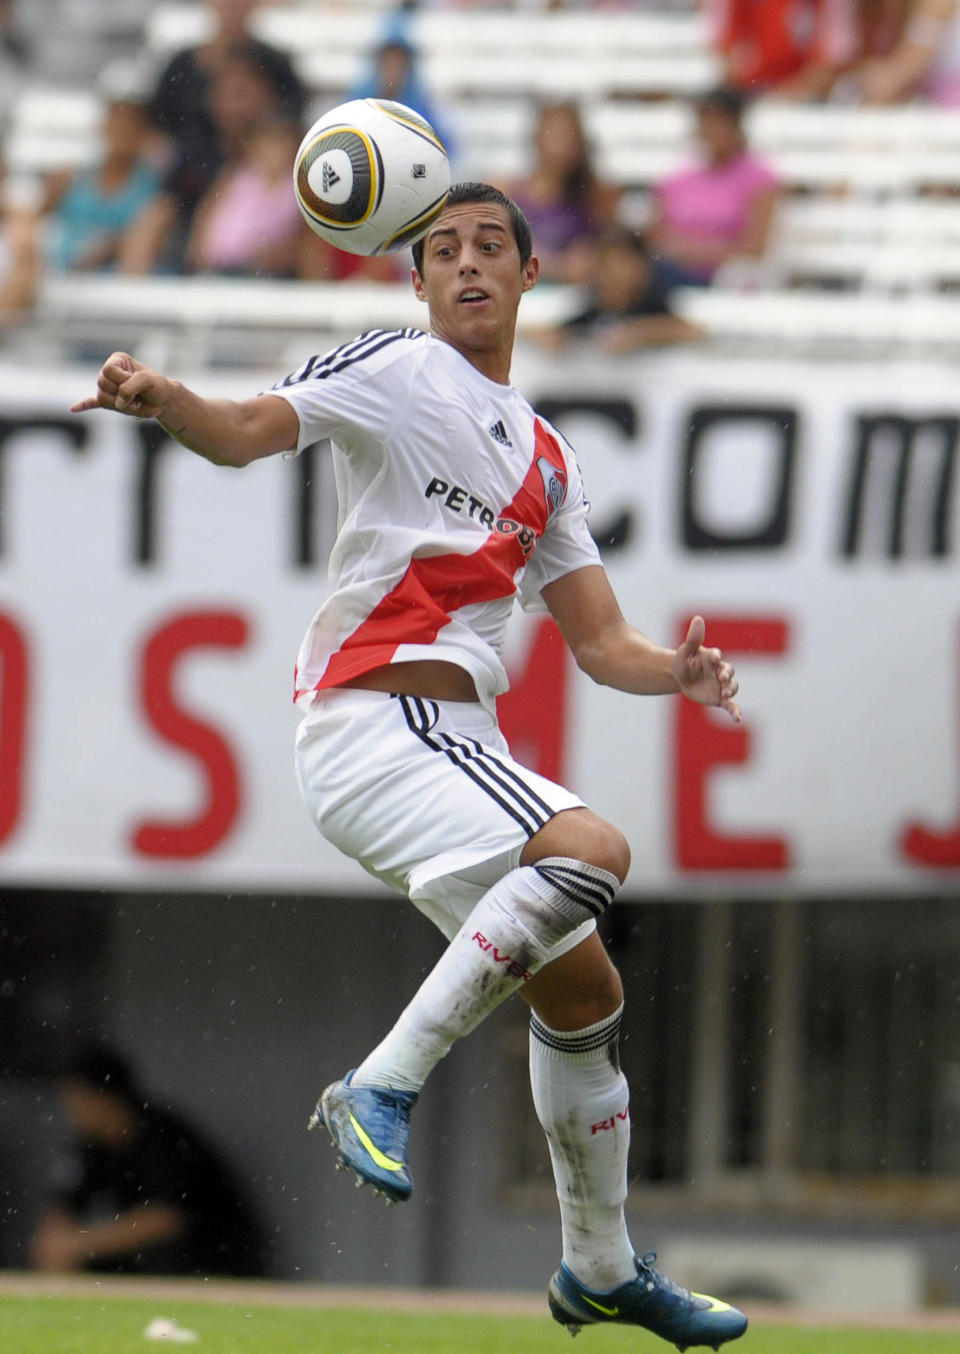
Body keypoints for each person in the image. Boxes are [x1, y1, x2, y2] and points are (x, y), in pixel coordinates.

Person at [69, 181, 747, 1349]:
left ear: (534, 276)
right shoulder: (396, 366)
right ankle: (378, 1085)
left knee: (585, 993)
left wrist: (674, 674)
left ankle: (599, 1267)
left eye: (493, 246)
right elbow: (241, 432)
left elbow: (599, 642)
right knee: (593, 850)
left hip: (447, 748)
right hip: (377, 721)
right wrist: (163, 394)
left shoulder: (545, 457)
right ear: (416, 282)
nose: (468, 263)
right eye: (444, 250)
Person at [29, 1043, 268, 1277]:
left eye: (75, 1095)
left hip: (214, 1263)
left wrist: (80, 1243)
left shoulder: (162, 1137)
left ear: (104, 1096)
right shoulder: (91, 1146)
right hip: (143, 1265)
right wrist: (56, 1245)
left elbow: (165, 1219)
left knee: (160, 1252)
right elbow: (62, 1206)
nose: (68, 1106)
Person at [647, 86, 780, 287]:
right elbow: (654, 236)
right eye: (705, 122)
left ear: (735, 125)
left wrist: (691, 250)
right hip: (671, 271)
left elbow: (755, 248)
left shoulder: (759, 179)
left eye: (718, 123)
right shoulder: (677, 176)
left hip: (721, 278)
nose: (710, 131)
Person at [539, 226, 707, 352]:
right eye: (606, 264)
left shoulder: (653, 304)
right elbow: (560, 333)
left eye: (623, 264)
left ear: (643, 268)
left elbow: (693, 332)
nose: (614, 274)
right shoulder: (591, 308)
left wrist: (639, 333)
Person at [44, 92, 161, 274]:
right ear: (103, 129)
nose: (122, 134)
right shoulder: (73, 178)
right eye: (115, 126)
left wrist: (110, 247)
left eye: (129, 128)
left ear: (142, 134)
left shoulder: (152, 186)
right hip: (64, 274)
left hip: (114, 281)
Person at [504, 101, 620, 284]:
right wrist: (557, 267)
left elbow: (610, 249)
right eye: (556, 138)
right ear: (538, 139)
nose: (563, 148)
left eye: (570, 139)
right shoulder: (508, 190)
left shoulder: (596, 194)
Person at [185, 115, 305, 277]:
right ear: (251, 149)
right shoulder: (235, 176)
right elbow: (208, 211)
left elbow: (297, 237)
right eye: (265, 146)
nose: (272, 154)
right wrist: (199, 248)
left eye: (280, 146)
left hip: (260, 271)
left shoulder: (297, 188)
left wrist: (264, 257)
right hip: (214, 264)